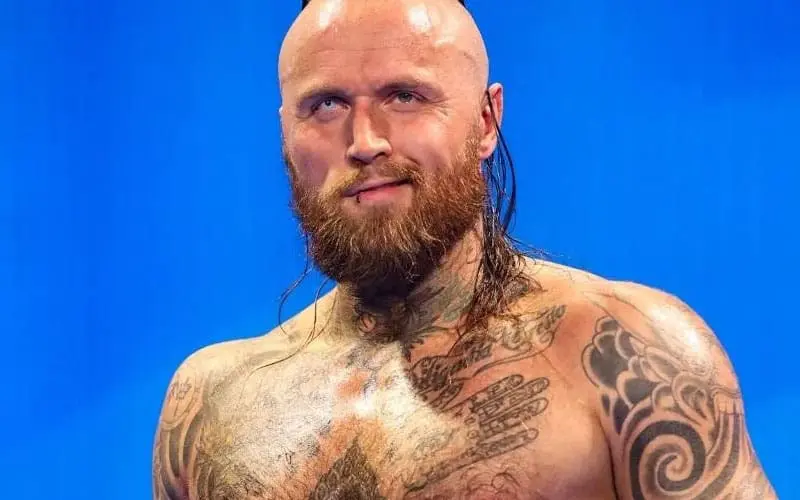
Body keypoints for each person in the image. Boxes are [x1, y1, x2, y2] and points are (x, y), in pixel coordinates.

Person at [152, 0, 777, 498]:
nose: (364, 141)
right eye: (326, 104)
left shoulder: (629, 357)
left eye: (404, 96)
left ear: (485, 120)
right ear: (286, 134)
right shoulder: (209, 405)